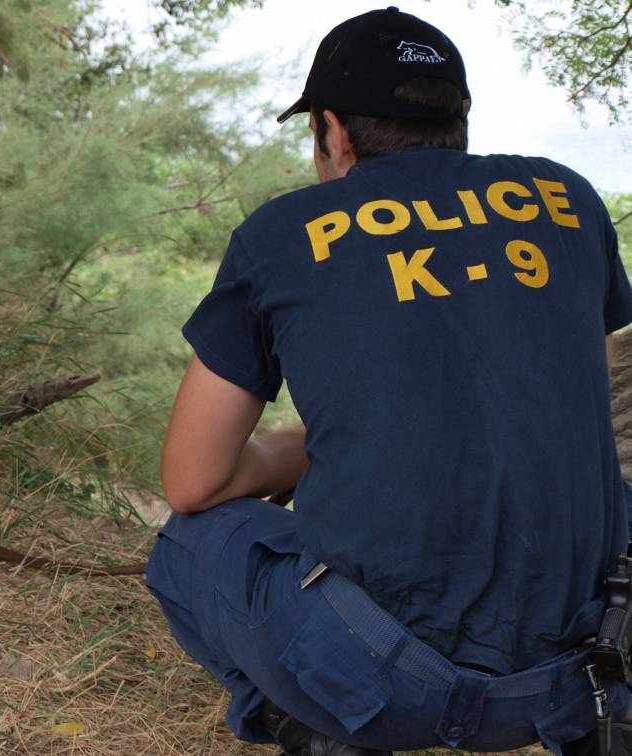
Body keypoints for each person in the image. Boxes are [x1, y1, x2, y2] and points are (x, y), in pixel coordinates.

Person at [145, 6, 632, 755]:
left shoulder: (282, 234)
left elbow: (192, 481)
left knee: (190, 543)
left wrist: (323, 441)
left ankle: (316, 720)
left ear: (332, 131)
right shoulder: (567, 200)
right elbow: (576, 399)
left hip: (390, 681)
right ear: (458, 120)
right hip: (580, 675)